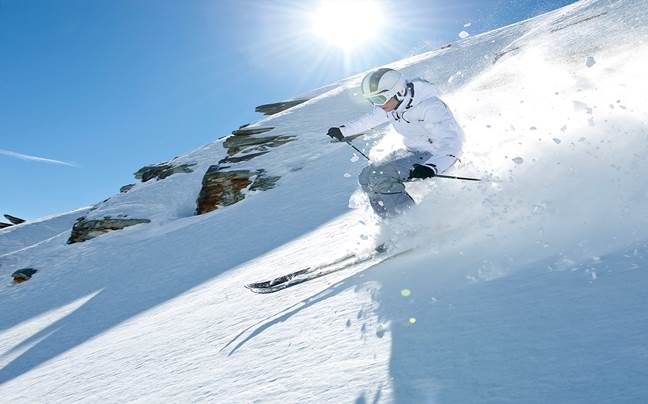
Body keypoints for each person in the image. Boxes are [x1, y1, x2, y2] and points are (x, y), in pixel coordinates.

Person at [326, 67, 464, 218]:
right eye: (372, 100)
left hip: (436, 156)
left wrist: (432, 166)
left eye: (379, 99)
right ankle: (392, 225)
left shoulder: (431, 107)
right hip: (414, 153)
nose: (377, 105)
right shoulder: (392, 106)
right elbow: (369, 120)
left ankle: (412, 225)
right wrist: (343, 131)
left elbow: (452, 143)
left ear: (399, 91)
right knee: (366, 177)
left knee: (382, 176)